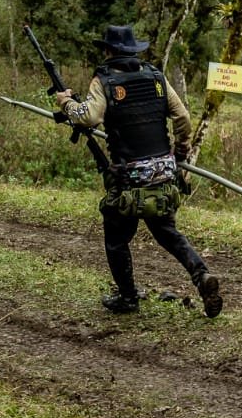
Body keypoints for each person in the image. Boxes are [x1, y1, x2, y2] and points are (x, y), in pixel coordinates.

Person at [55, 25, 223, 317]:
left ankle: (128, 296)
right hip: (163, 175)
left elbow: (89, 117)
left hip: (129, 180)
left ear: (108, 51)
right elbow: (182, 117)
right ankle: (201, 275)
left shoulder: (104, 81)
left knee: (116, 238)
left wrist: (66, 102)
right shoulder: (156, 77)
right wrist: (180, 151)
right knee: (167, 232)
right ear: (133, 51)